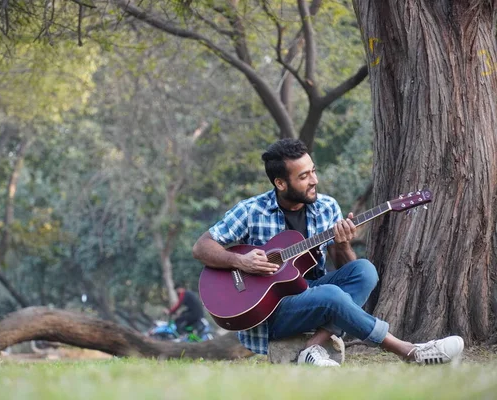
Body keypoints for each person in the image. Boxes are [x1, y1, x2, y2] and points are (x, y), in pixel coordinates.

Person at [192, 138, 464, 367]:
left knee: (364, 271)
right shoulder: (251, 210)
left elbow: (343, 266)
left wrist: (343, 244)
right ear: (280, 183)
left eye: (313, 171)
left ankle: (313, 348)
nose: (314, 180)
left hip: (314, 291)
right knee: (332, 295)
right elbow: (202, 246)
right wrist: (240, 261)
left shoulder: (327, 207)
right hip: (274, 308)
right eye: (304, 176)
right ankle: (410, 351)